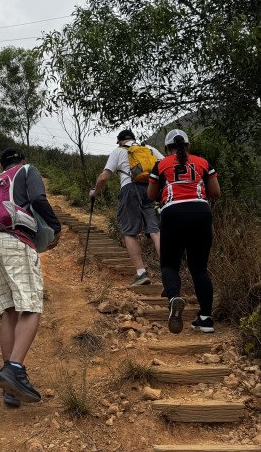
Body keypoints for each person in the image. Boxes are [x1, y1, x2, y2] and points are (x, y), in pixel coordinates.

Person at [0, 148, 61, 407]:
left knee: (9, 311)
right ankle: (14, 369)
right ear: (22, 160)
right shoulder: (27, 171)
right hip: (14, 241)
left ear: (2, 164)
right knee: (31, 307)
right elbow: (37, 198)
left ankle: (10, 388)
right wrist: (56, 227)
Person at [147, 129, 220, 334]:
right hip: (201, 212)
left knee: (169, 264)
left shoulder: (161, 165)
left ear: (168, 148)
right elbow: (215, 192)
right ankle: (206, 319)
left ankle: (174, 298)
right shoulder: (203, 162)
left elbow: (151, 195)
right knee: (199, 268)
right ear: (187, 145)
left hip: (173, 213)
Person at [90, 129, 163, 286]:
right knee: (155, 231)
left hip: (130, 190)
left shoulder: (119, 151)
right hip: (151, 189)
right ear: (134, 139)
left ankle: (141, 273)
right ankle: (168, 272)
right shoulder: (149, 149)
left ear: (120, 141)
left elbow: (104, 176)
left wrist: (95, 192)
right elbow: (165, 165)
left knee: (130, 232)